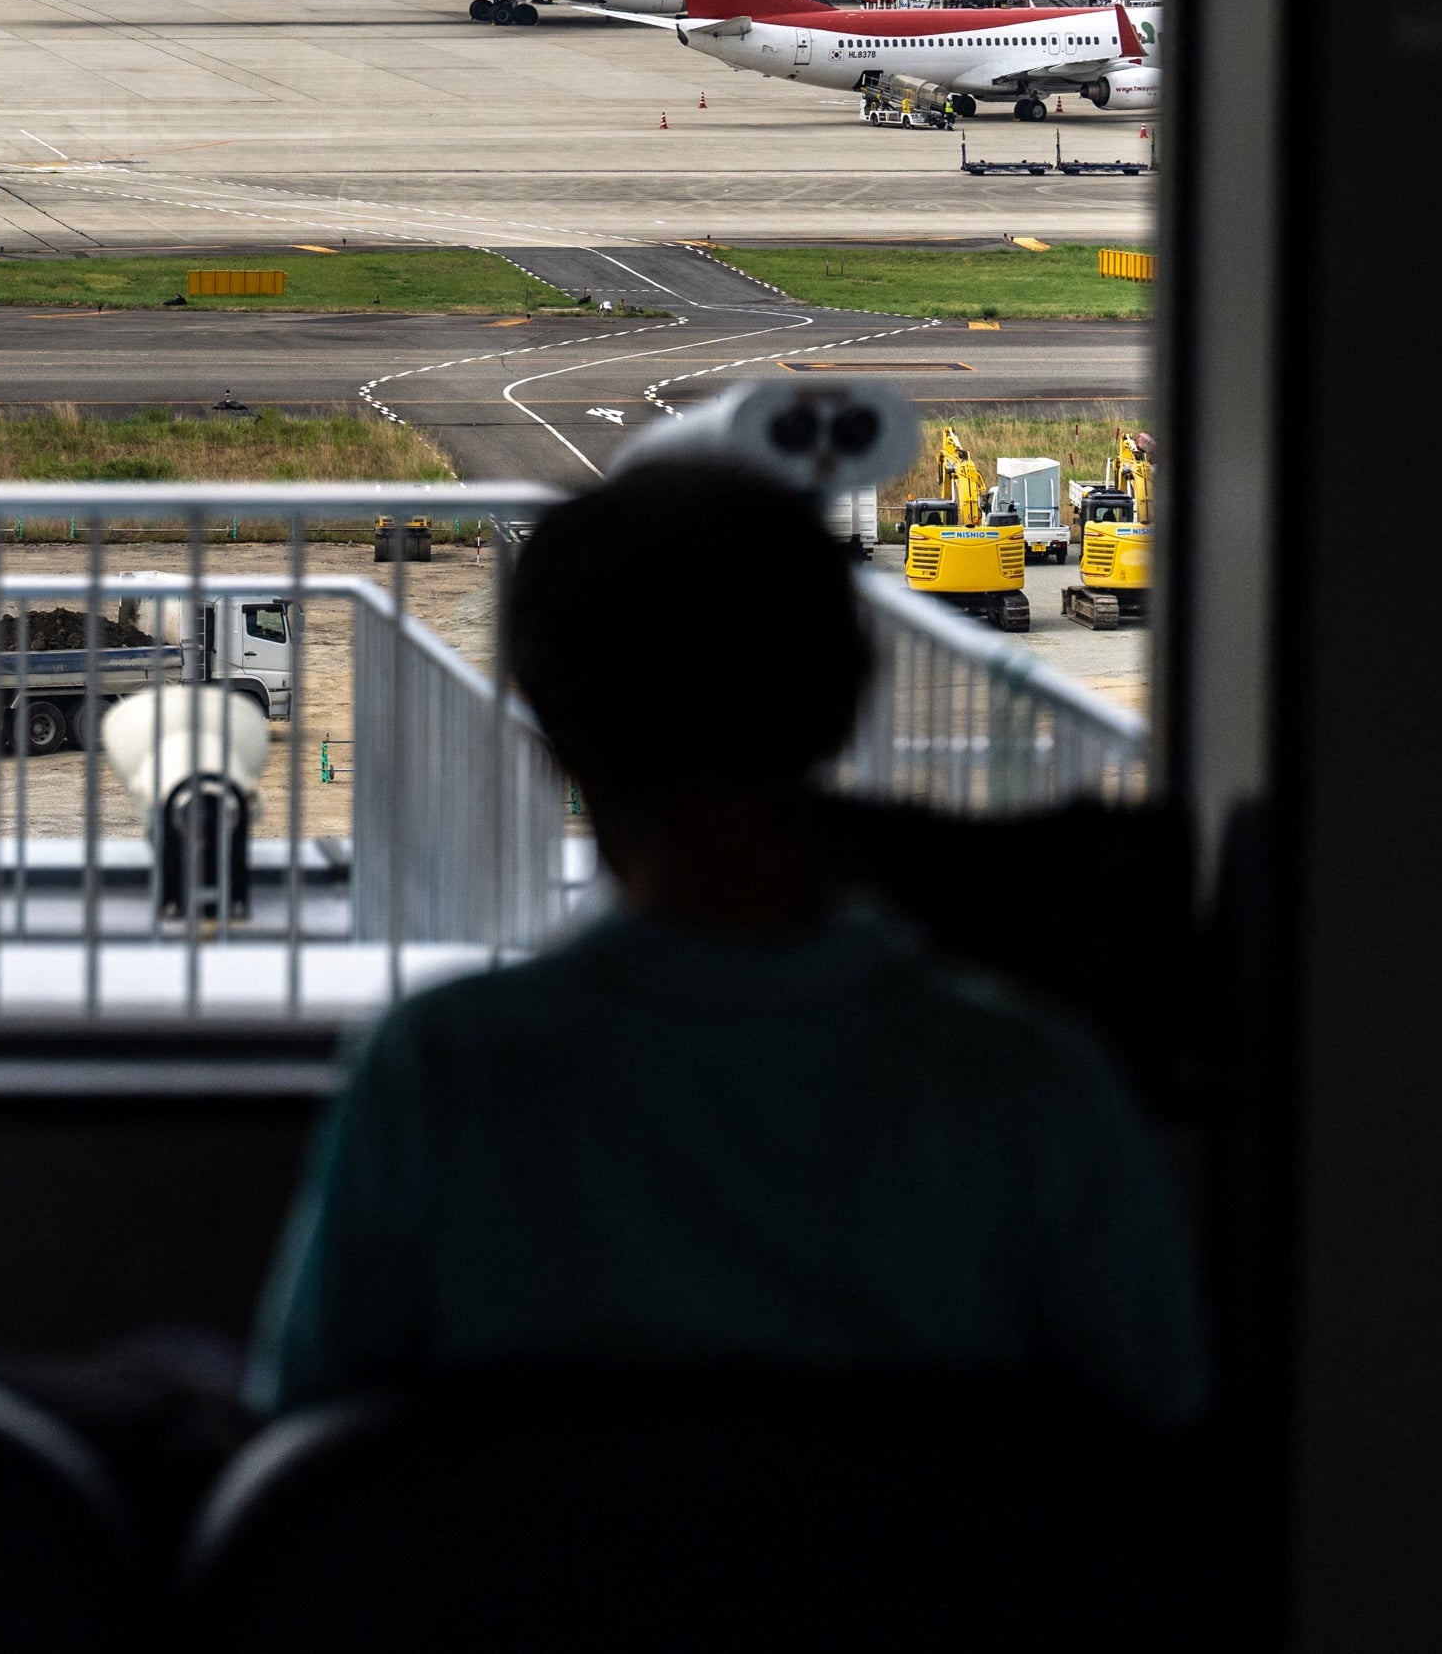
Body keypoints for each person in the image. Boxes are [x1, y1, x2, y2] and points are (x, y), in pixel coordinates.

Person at [250, 460, 1205, 1423]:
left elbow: (310, 1420)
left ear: (553, 738)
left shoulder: (437, 1074)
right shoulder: (1036, 1090)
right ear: (850, 696)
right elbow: (1150, 1457)